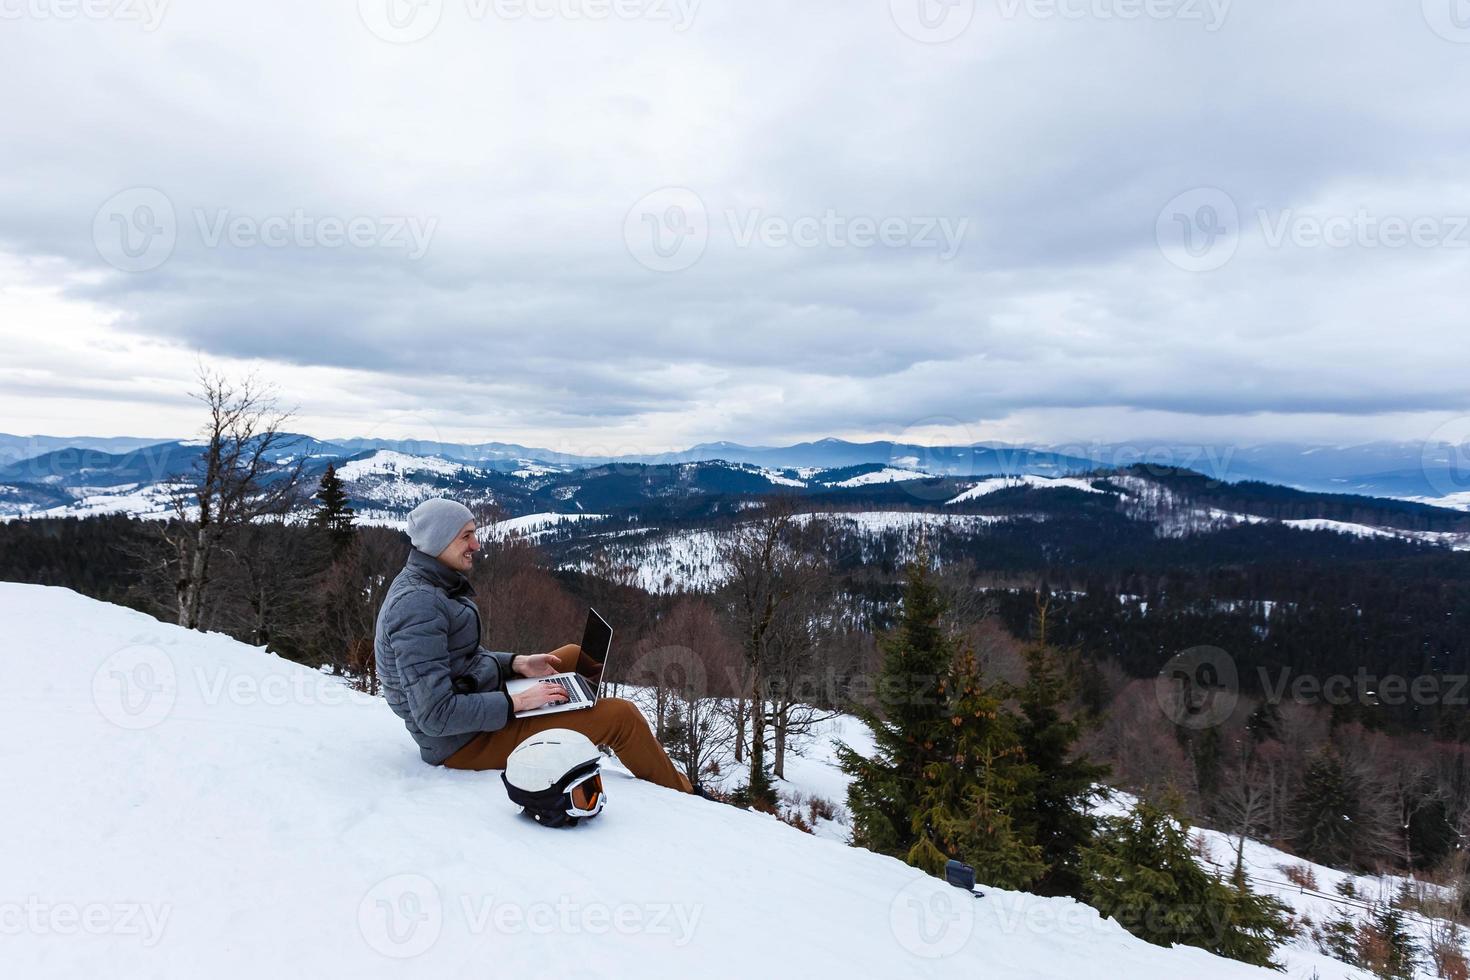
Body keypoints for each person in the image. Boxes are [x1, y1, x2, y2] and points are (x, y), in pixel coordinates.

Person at [373, 497, 693, 794]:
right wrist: (519, 703)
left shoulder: (434, 583)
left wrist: (515, 663)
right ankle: (683, 793)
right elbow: (434, 715)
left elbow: (460, 658)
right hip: (463, 742)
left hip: (478, 703)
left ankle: (575, 705)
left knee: (568, 657)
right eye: (466, 536)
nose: (476, 545)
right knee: (621, 716)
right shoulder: (418, 605)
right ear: (438, 541)